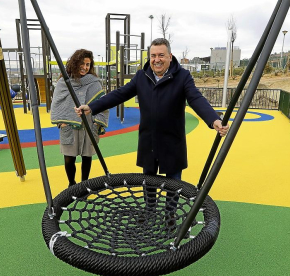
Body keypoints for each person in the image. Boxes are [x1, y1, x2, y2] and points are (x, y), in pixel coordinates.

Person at [75, 39, 229, 225]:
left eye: (161, 55)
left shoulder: (182, 77)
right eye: (153, 55)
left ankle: (170, 213)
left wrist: (213, 120)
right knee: (148, 181)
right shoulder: (142, 76)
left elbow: (196, 98)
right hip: (149, 140)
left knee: (173, 182)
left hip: (172, 140)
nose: (157, 59)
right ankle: (149, 211)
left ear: (170, 57)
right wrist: (92, 107)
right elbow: (120, 94)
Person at [51, 49, 109, 187]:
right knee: (69, 159)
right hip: (69, 124)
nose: (85, 67)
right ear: (75, 63)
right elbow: (56, 104)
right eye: (82, 64)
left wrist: (97, 123)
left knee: (87, 157)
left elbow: (102, 103)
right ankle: (72, 184)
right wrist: (61, 123)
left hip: (89, 124)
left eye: (88, 64)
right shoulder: (64, 82)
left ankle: (84, 185)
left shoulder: (94, 82)